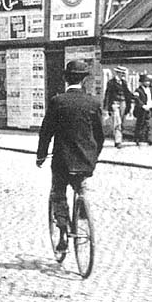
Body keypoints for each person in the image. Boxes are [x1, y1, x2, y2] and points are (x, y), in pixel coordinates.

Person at [36, 60, 105, 255]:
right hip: (85, 161)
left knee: (58, 193)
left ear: (66, 79)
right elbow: (99, 136)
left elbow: (46, 132)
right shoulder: (92, 103)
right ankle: (82, 207)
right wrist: (93, 157)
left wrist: (41, 155)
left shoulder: (58, 101)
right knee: (80, 184)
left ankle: (63, 230)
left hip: (62, 160)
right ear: (84, 79)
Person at [103, 65, 133, 148]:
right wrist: (106, 108)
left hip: (123, 103)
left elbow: (128, 94)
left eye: (123, 73)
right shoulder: (111, 83)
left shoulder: (124, 83)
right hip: (115, 103)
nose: (122, 75)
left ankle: (119, 139)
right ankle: (118, 141)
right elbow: (108, 95)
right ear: (117, 73)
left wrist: (134, 97)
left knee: (122, 122)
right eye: (121, 73)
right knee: (117, 122)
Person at [133, 73, 152, 146]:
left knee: (150, 124)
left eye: (149, 81)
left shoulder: (151, 89)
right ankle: (137, 138)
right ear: (142, 82)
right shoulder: (138, 90)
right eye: (146, 81)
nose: (148, 83)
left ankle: (151, 139)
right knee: (140, 124)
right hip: (141, 110)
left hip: (150, 108)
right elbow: (136, 99)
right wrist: (143, 106)